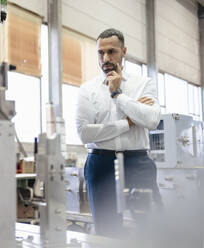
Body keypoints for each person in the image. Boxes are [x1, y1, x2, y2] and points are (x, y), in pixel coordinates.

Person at [75, 28, 162, 237]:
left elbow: (151, 120)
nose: (105, 58)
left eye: (111, 51)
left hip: (137, 162)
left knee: (154, 228)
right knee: (107, 232)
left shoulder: (143, 84)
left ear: (124, 51)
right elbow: (85, 134)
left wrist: (118, 95)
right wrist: (128, 123)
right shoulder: (88, 90)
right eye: (100, 53)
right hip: (100, 164)